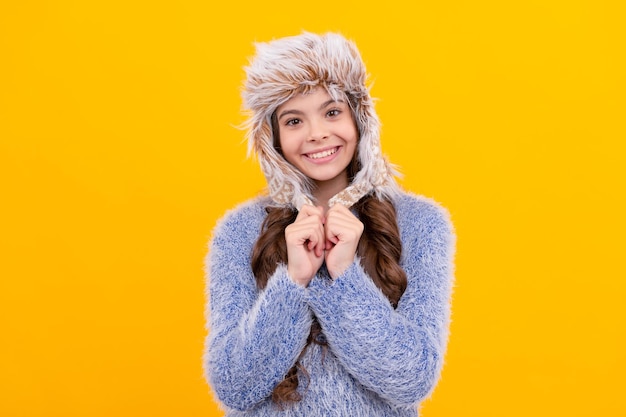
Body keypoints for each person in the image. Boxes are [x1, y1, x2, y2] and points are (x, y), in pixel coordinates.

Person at [203, 32, 455, 416]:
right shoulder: (239, 231)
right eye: (293, 120)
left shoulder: (420, 224)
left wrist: (344, 277)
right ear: (273, 138)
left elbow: (411, 379)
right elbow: (235, 387)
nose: (317, 132)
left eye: (332, 112)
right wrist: (293, 283)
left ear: (360, 118)